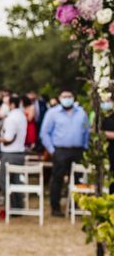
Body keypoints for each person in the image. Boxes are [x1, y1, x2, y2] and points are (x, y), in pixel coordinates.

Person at [40, 89, 90, 217]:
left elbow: (86, 130)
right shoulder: (53, 113)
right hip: (60, 150)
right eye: (64, 96)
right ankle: (55, 207)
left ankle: (76, 205)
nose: (67, 98)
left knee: (78, 179)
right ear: (60, 98)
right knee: (57, 179)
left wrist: (85, 146)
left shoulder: (81, 113)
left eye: (69, 96)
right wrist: (52, 150)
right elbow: (45, 133)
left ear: (73, 98)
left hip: (78, 150)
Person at [0, 95, 27, 209]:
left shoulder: (11, 118)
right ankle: (18, 206)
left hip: (9, 154)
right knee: (16, 181)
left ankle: (10, 206)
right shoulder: (22, 116)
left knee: (5, 181)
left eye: (6, 104)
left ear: (12, 104)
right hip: (20, 153)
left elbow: (8, 139)